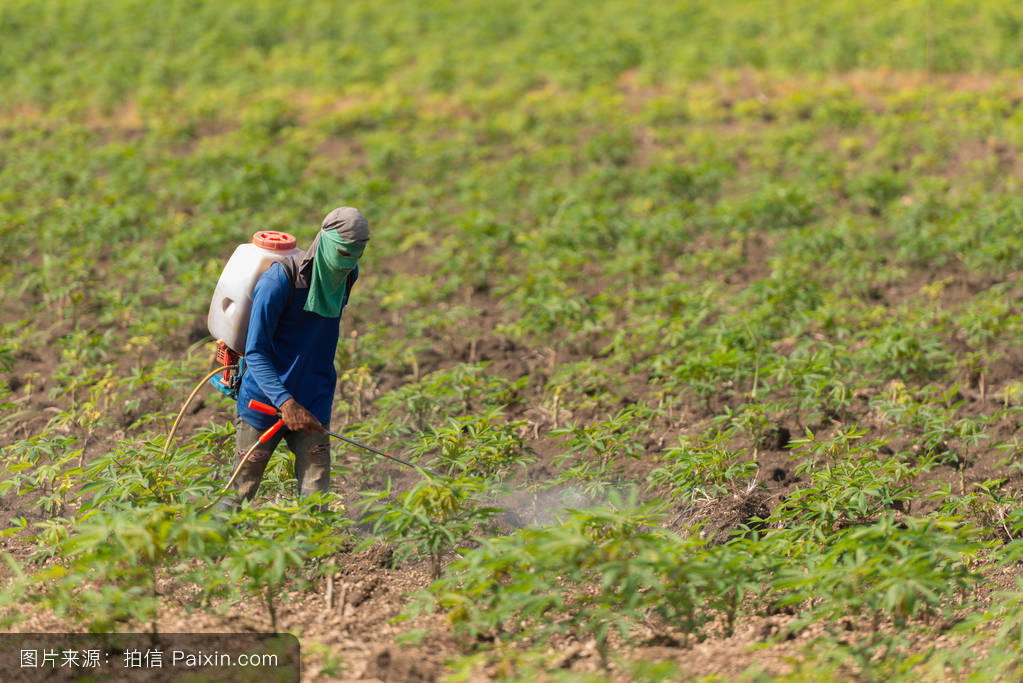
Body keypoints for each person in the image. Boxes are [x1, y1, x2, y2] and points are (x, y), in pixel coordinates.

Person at [228, 207, 369, 507]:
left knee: (316, 498)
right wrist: (285, 402)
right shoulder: (279, 282)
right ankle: (213, 551)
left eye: (357, 254)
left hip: (313, 404)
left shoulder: (347, 276)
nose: (349, 262)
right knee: (240, 491)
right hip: (264, 401)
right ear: (325, 241)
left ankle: (310, 553)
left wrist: (305, 403)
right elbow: (255, 351)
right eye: (344, 253)